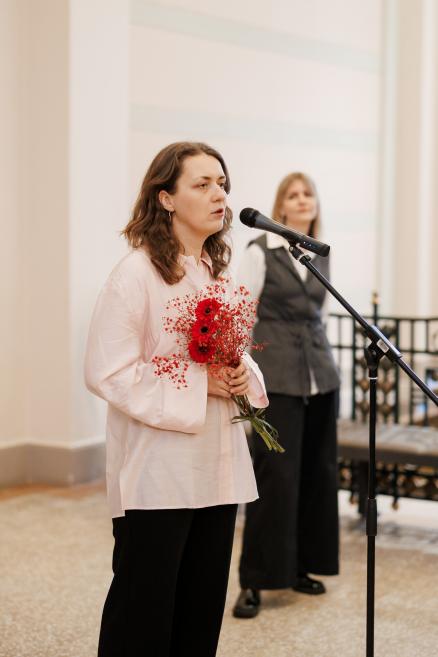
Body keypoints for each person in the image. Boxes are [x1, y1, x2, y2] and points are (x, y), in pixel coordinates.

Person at [84, 142, 268, 657]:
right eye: (203, 184)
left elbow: (233, 351)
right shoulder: (135, 274)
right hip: (157, 471)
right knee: (144, 610)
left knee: (201, 606)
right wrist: (198, 383)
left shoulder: (217, 270)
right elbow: (107, 371)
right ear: (165, 198)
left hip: (216, 463)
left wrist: (238, 373)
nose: (220, 195)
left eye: (222, 184)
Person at [233, 172, 340, 619]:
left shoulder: (319, 255)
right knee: (275, 477)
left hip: (320, 375)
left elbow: (320, 312)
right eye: (292, 195)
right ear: (281, 207)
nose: (301, 200)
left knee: (317, 474)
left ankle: (301, 566)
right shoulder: (260, 252)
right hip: (276, 377)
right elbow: (240, 311)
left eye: (307, 193)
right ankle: (255, 579)